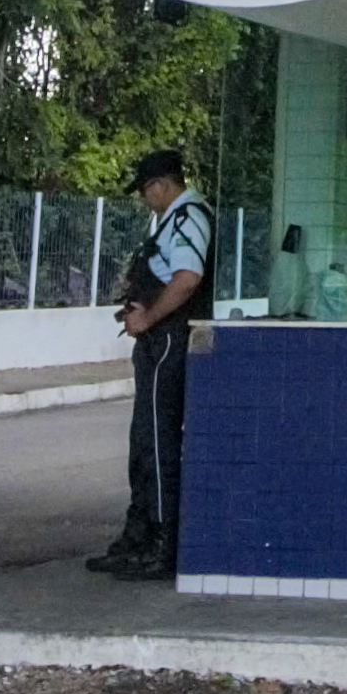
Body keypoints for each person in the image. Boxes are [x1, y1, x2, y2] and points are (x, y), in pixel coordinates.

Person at [90, 151, 210, 580]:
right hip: (156, 341)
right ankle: (138, 534)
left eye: (145, 190)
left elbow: (187, 279)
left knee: (157, 443)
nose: (144, 199)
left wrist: (149, 316)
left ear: (161, 184)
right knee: (144, 441)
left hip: (168, 342)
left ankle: (162, 541)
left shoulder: (188, 219)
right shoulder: (170, 222)